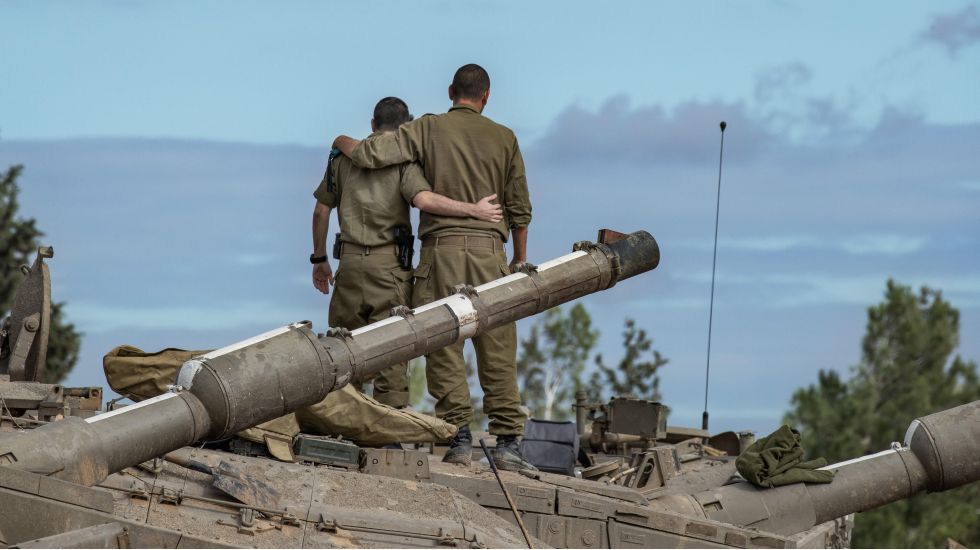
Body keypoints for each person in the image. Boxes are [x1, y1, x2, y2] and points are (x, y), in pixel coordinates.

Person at [332, 65, 534, 470]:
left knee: (445, 345)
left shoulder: (427, 128)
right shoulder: (505, 137)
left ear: (450, 92)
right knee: (496, 345)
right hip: (489, 253)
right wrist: (517, 259)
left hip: (439, 253)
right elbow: (519, 208)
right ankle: (508, 442)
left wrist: (339, 139)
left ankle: (458, 437)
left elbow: (373, 153)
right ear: (486, 96)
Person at [312, 96, 502, 408]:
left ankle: (341, 425)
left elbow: (321, 211)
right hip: (389, 270)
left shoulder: (341, 160)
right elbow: (425, 201)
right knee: (391, 355)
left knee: (343, 350)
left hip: (347, 266)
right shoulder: (404, 162)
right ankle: (390, 438)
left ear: (373, 125)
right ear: (406, 128)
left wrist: (319, 258)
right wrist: (474, 210)